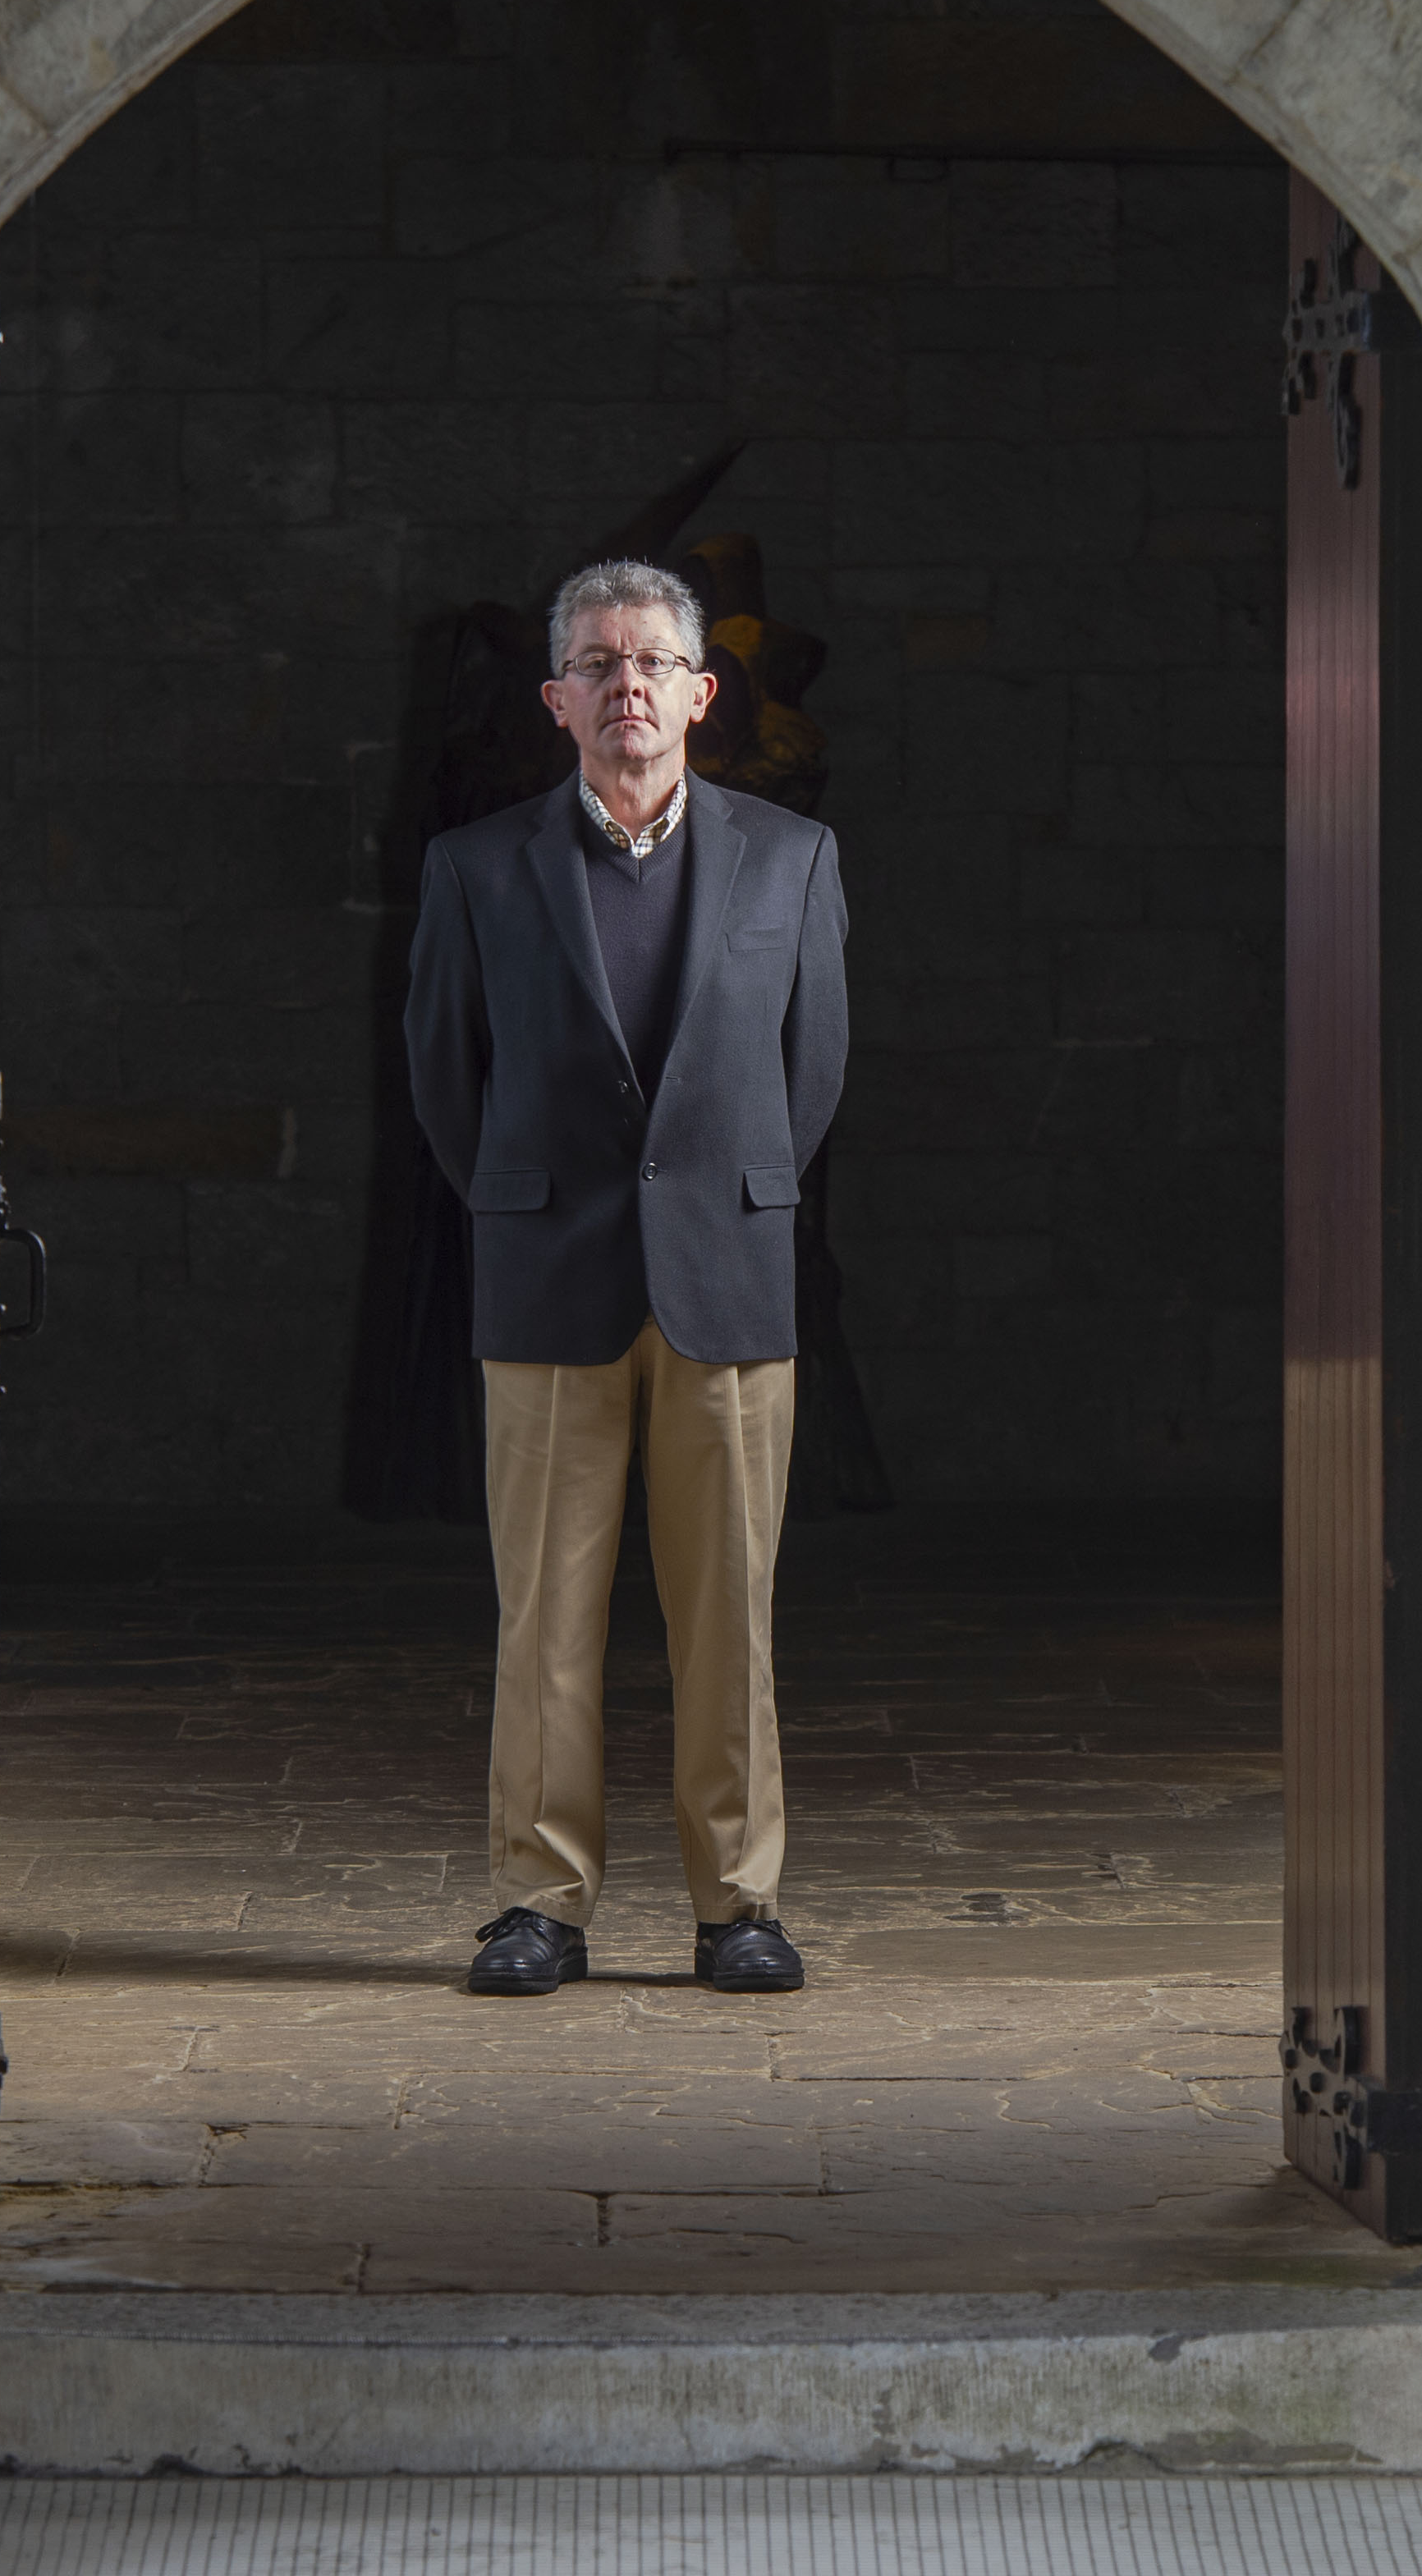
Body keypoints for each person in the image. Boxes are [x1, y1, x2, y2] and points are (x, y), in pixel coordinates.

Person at [403, 557, 849, 1997]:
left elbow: (812, 1075)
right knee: (542, 1614)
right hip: (548, 1277)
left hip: (729, 1278)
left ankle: (740, 1906)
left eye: (652, 661)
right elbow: (445, 1081)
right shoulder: (476, 867)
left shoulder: (793, 857)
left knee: (731, 1617)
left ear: (702, 693)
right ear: (557, 701)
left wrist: (716, 1196)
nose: (627, 686)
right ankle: (540, 1904)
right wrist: (526, 1202)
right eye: (596, 664)